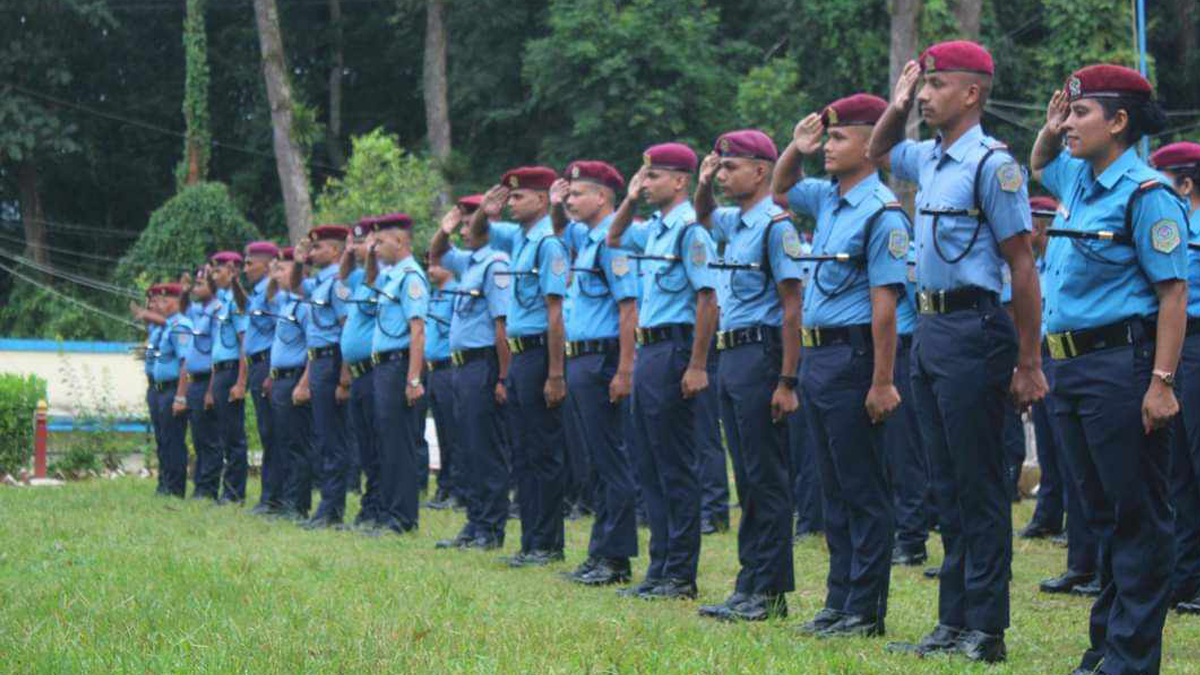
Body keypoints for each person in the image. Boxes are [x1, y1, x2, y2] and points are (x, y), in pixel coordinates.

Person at [869, 40, 1047, 663]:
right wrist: (895, 105)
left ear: (971, 93)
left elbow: (1021, 265)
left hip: (976, 329)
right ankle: (952, 619)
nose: (924, 94)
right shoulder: (931, 157)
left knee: (978, 486)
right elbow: (879, 150)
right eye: (922, 84)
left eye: (935, 84)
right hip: (932, 331)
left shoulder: (990, 164)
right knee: (944, 483)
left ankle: (986, 626)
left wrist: (1028, 362)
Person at [1030, 64, 1186, 675]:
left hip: (1122, 365)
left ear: (1119, 122)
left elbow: (1172, 293)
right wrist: (1053, 123)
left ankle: (1132, 657)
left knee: (1137, 517)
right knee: (1098, 516)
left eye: (1081, 113)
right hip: (1070, 369)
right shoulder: (1082, 180)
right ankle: (1107, 647)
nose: (1069, 124)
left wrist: (1162, 384)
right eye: (1068, 113)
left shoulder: (1147, 195)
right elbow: (1043, 159)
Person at [773, 93, 906, 638]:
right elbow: (780, 186)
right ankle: (837, 599)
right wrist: (794, 146)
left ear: (871, 145)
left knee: (863, 488)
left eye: (837, 137)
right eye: (826, 138)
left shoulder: (881, 212)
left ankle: (865, 609)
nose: (827, 147)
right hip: (820, 355)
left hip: (854, 356)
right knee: (830, 487)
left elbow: (886, 306)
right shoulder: (829, 200)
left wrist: (881, 380)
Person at [693, 129, 802, 622]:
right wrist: (704, 182)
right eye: (720, 166)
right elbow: (702, 215)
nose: (722, 174)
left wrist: (787, 380)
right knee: (747, 477)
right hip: (731, 356)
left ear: (761, 170)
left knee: (766, 477)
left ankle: (770, 591)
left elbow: (792, 307)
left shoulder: (776, 226)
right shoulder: (735, 223)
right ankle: (748, 582)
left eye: (730, 166)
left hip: (761, 353)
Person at [607, 142, 718, 599]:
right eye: (644, 175)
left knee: (674, 465)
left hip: (675, 348)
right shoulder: (651, 229)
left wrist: (696, 364)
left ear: (680, 181)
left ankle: (680, 573)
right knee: (648, 462)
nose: (646, 182)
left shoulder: (690, 231)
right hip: (649, 350)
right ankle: (658, 568)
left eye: (654, 177)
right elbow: (612, 238)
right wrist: (630, 198)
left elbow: (707, 299)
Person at [468, 166, 570, 567]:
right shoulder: (521, 239)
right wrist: (484, 211)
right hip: (522, 354)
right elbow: (477, 234)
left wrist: (556, 372)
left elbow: (555, 312)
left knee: (544, 453)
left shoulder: (548, 243)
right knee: (524, 452)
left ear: (542, 200)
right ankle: (530, 540)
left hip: (543, 351)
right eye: (508, 198)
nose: (510, 203)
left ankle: (548, 543)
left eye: (518, 197)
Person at [549, 160, 641, 586]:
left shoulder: (611, 243)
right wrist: (556, 205)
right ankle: (599, 551)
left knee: (611, 460)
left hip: (603, 357)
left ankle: (616, 558)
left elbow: (628, 310)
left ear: (602, 197)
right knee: (595, 463)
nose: (569, 200)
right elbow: (559, 230)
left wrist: (625, 369)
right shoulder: (586, 240)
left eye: (577, 194)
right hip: (581, 358)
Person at [1021, 197, 1101, 598]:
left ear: (1040, 225)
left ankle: (1099, 566)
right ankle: (1081, 563)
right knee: (1061, 459)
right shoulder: (1044, 263)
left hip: (1076, 355)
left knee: (1085, 469)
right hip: (1050, 356)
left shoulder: (1068, 252)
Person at [430, 194, 513, 550]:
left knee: (487, 449)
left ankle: (491, 528)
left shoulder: (496, 263)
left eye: (468, 223)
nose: (463, 230)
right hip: (462, 367)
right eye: (461, 223)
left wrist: (502, 377)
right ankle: (474, 522)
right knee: (468, 447)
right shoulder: (471, 263)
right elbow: (437, 254)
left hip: (484, 364)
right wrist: (443, 229)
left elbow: (502, 325)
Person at [1148, 141, 1200, 615]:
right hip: (1183, 349)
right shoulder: (1178, 223)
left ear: (1184, 184)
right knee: (1179, 469)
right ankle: (1185, 578)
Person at [367, 213, 428, 535]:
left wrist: (413, 378)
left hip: (399, 364)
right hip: (385, 365)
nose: (375, 247)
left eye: (380, 241)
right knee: (387, 443)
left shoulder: (411, 277)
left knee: (400, 444)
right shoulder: (391, 277)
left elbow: (417, 330)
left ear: (401, 241)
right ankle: (389, 514)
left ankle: (403, 519)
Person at [290, 225, 353, 529]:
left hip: (332, 360)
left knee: (333, 441)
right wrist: (300, 261)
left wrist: (344, 377)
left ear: (335, 251)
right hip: (318, 362)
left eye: (317, 248)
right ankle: (326, 508)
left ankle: (331, 510)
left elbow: (346, 327)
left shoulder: (338, 284)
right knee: (323, 438)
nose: (312, 252)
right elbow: (295, 287)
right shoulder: (318, 283)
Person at [336, 222, 383, 529]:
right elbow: (341, 279)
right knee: (365, 445)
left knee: (378, 445)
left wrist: (369, 254)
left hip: (376, 371)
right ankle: (369, 504)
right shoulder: (356, 280)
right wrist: (349, 251)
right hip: (357, 373)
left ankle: (378, 506)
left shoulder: (380, 278)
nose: (358, 246)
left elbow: (371, 274)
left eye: (364, 240)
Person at [266, 247, 314, 521]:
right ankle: (286, 500)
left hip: (296, 378)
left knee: (298, 445)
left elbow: (313, 348)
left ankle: (298, 504)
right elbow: (269, 293)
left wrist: (304, 384)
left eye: (282, 270)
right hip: (280, 379)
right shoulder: (285, 302)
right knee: (284, 442)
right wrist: (275, 273)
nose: (279, 275)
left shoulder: (306, 306)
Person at [234, 241, 282, 515]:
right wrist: (233, 283)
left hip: (267, 364)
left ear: (266, 264)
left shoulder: (272, 292)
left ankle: (273, 497)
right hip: (257, 365)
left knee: (273, 433)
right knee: (266, 432)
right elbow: (245, 307)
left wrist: (273, 372)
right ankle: (269, 495)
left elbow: (280, 333)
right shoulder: (258, 292)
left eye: (250, 263)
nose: (246, 268)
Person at [422, 256, 463, 511]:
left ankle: (459, 489)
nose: (430, 269)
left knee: (455, 431)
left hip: (450, 367)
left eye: (435, 264)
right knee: (442, 432)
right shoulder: (434, 296)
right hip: (433, 370)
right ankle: (445, 486)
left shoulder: (456, 293)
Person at [208, 251, 250, 504]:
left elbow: (244, 343)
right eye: (213, 271)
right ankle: (228, 490)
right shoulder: (222, 301)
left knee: (234, 436)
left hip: (233, 370)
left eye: (219, 271)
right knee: (224, 434)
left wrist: (241, 382)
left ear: (232, 272)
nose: (214, 275)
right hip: (221, 371)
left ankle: (235, 493)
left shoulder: (236, 302)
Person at [181, 266, 221, 501]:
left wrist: (210, 390)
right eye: (195, 284)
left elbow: (217, 352)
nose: (196, 288)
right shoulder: (199, 311)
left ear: (212, 286)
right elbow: (184, 307)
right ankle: (199, 485)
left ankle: (209, 488)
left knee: (209, 439)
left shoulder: (216, 311)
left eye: (200, 284)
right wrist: (185, 291)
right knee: (198, 437)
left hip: (207, 380)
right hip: (194, 382)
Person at [149, 282, 192, 498]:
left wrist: (181, 396)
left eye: (165, 301)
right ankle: (164, 484)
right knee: (164, 440)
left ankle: (175, 488)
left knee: (174, 441)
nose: (161, 305)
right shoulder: (167, 326)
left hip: (173, 390)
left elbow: (185, 362)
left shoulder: (180, 326)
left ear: (176, 302)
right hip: (160, 390)